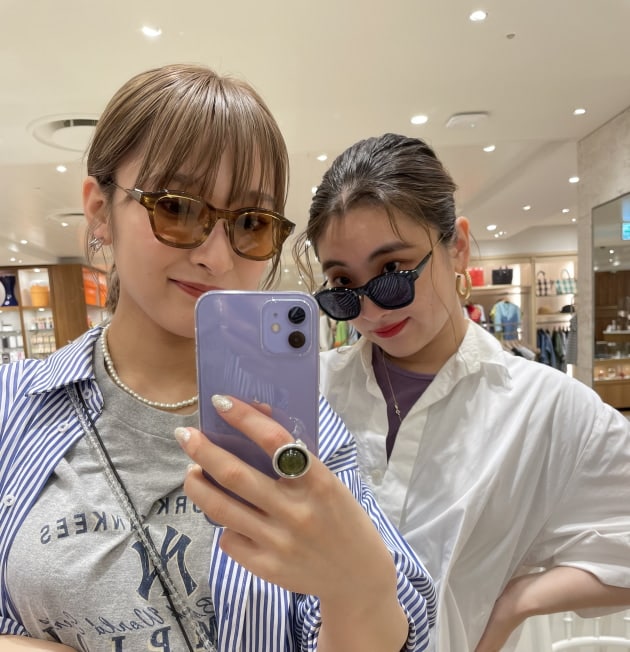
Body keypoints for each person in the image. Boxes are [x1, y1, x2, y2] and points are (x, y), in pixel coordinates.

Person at [0, 67, 437, 651]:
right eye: (177, 208)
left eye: (251, 224)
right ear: (100, 211)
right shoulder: (14, 407)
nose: (216, 256)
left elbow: (386, 627)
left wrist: (361, 591)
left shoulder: (301, 430)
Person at [295, 132, 630, 652]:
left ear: (458, 247)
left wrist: (518, 601)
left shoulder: (545, 408)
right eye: (343, 285)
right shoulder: (311, 388)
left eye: (392, 271)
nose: (372, 310)